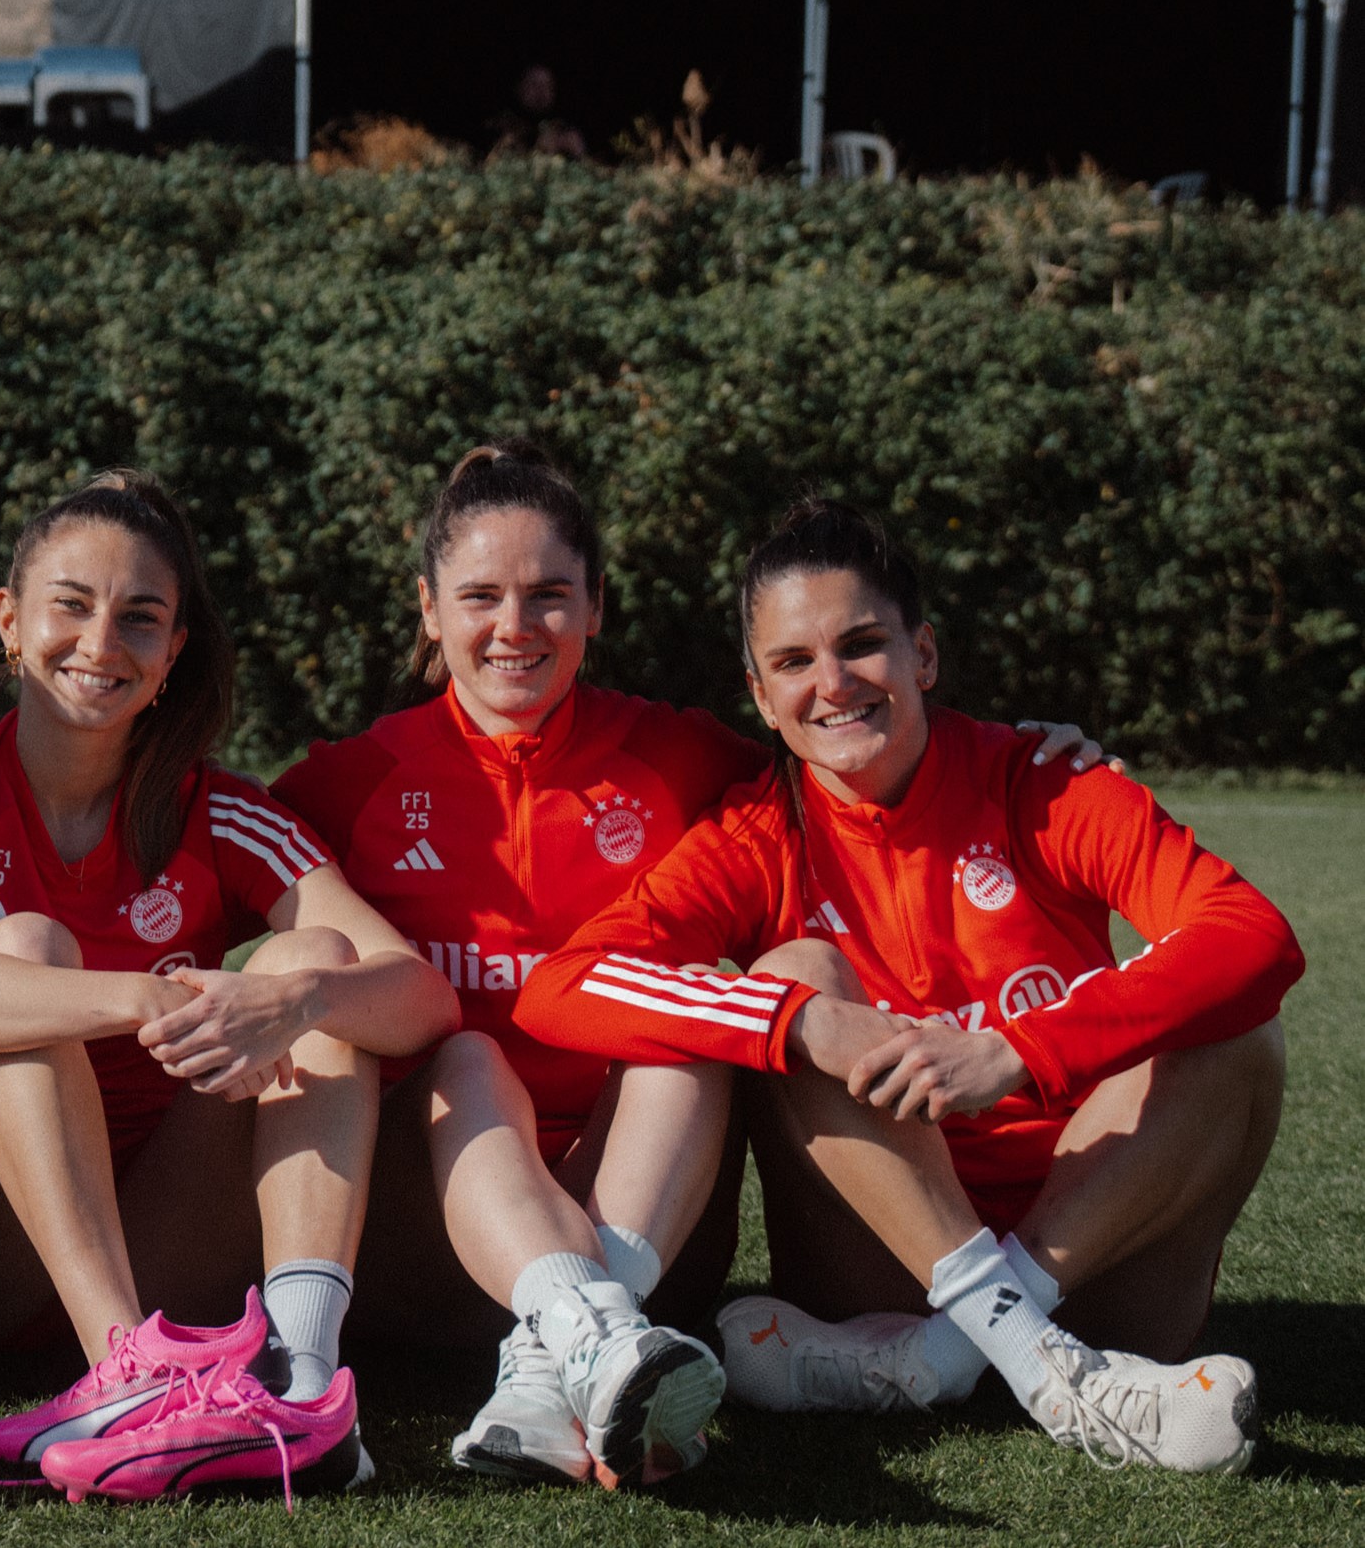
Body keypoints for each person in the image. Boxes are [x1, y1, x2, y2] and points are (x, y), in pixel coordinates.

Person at [272, 444, 1124, 1489]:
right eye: (478, 596)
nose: (512, 626)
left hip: (650, 1236)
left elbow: (844, 732)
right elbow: (185, 851)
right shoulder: (346, 778)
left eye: (548, 594)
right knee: (466, 1059)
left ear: (596, 604)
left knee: (693, 1018)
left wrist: (1023, 753)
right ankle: (566, 1334)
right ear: (426, 607)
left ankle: (573, 1350)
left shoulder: (680, 754)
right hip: (433, 1246)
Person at [514, 500, 1301, 1474]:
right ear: (759, 697)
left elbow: (1253, 934)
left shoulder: (1041, 782)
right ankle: (1046, 1369)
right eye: (794, 662)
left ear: (921, 653)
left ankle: (948, 1358)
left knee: (1238, 1027)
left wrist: (1015, 1049)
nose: (832, 683)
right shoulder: (756, 834)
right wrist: (799, 1022)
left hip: (1103, 1260)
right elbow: (561, 984)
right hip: (879, 1270)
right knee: (791, 984)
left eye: (860, 644)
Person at [0, 470, 457, 1502]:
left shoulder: (220, 812)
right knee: (29, 949)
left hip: (168, 1241)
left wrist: (293, 1001)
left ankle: (299, 1378)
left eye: (139, 618)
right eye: (70, 605)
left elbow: (420, 996)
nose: (100, 642)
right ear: (9, 619)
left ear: (172, 653)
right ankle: (118, 1366)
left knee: (312, 973)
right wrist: (138, 996)